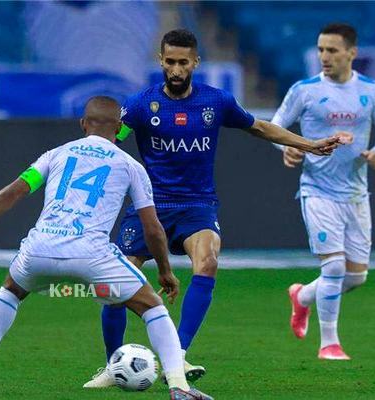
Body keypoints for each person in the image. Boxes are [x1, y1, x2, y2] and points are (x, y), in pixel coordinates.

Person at [84, 29, 343, 388]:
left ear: (195, 63)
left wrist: (309, 144)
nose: (176, 69)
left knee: (207, 260)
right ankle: (112, 367)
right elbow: (110, 144)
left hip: (197, 206)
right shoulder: (142, 105)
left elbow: (262, 127)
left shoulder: (216, 102)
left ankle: (179, 353)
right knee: (114, 284)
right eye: (170, 62)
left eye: (183, 62)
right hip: (150, 206)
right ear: (161, 61)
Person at [0, 96, 213, 400]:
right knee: (152, 307)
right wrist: (165, 270)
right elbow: (152, 227)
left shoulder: (55, 154)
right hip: (91, 254)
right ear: (119, 128)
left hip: (40, 248)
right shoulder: (130, 166)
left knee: (10, 291)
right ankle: (179, 387)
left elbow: (13, 193)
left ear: (82, 124)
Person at [272, 23, 375, 360]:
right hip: (317, 190)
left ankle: (302, 296)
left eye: (332, 50)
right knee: (334, 268)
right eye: (321, 50)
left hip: (355, 194)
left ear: (351, 53)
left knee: (356, 276)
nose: (325, 57)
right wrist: (286, 148)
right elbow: (275, 126)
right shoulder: (305, 90)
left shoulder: (371, 90)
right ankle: (329, 344)